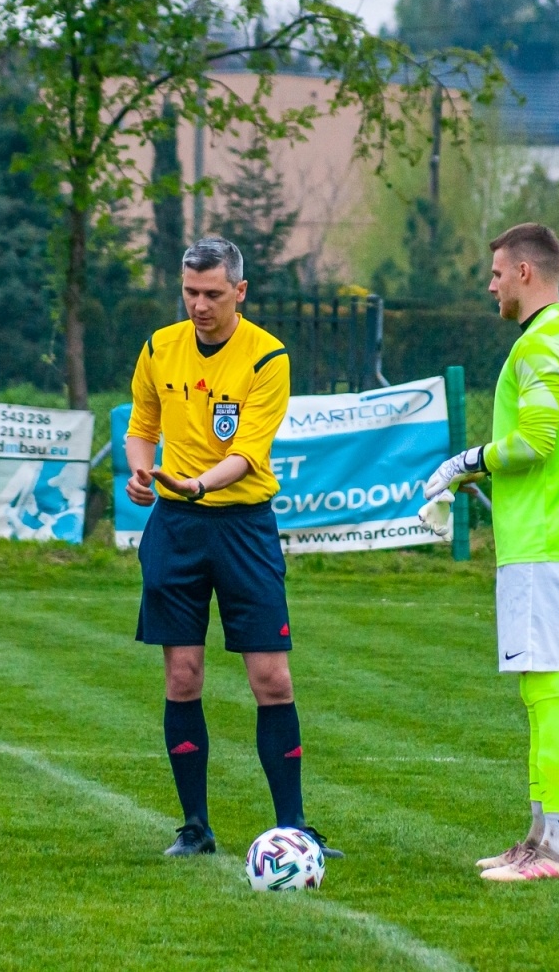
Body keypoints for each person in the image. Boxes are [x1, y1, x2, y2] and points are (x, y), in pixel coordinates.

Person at [124, 235, 339, 861]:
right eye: (190, 292)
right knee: (182, 674)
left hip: (243, 526)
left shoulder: (266, 357)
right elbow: (142, 427)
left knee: (271, 678)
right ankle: (195, 827)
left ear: (239, 292)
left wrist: (195, 482)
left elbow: (246, 454)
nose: (199, 305)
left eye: (212, 294)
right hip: (175, 529)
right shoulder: (159, 347)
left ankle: (294, 829)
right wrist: (143, 472)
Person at [419, 222, 559, 883]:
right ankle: (538, 838)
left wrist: (463, 463)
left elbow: (533, 442)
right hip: (554, 532)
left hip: (545, 536)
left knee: (551, 688)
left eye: (497, 272)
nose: (491, 284)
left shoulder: (541, 345)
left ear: (527, 273)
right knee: (542, 687)